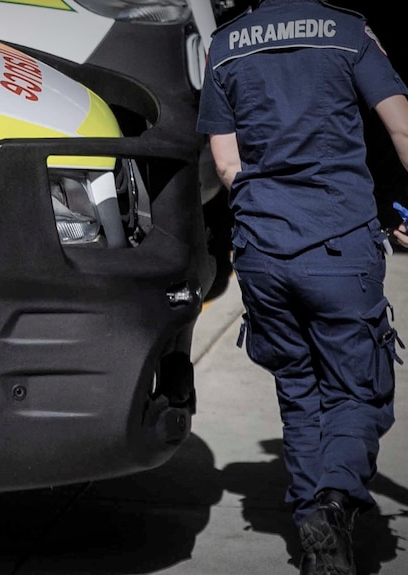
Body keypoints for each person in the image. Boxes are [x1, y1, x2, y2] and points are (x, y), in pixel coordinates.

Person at [196, 1, 408, 574]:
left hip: (265, 251)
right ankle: (335, 502)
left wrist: (270, 210)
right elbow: (401, 126)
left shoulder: (227, 43)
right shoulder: (348, 31)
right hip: (339, 242)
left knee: (298, 390)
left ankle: (319, 545)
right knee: (356, 390)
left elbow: (224, 164)